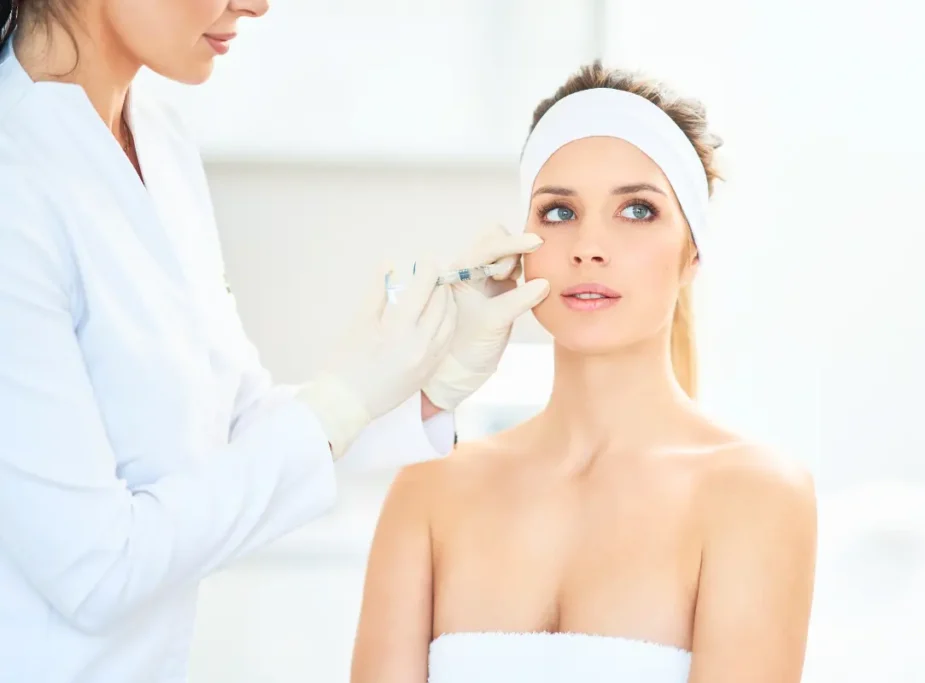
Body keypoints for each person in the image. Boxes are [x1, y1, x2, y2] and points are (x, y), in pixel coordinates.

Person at [0, 2, 549, 682]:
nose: (255, 3)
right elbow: (94, 568)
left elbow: (235, 429)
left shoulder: (158, 137)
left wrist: (424, 392)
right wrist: (338, 404)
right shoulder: (13, 182)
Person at [350, 61, 818, 683]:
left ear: (692, 254)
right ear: (521, 245)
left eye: (637, 212)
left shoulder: (752, 494)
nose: (589, 247)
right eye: (560, 213)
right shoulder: (429, 494)